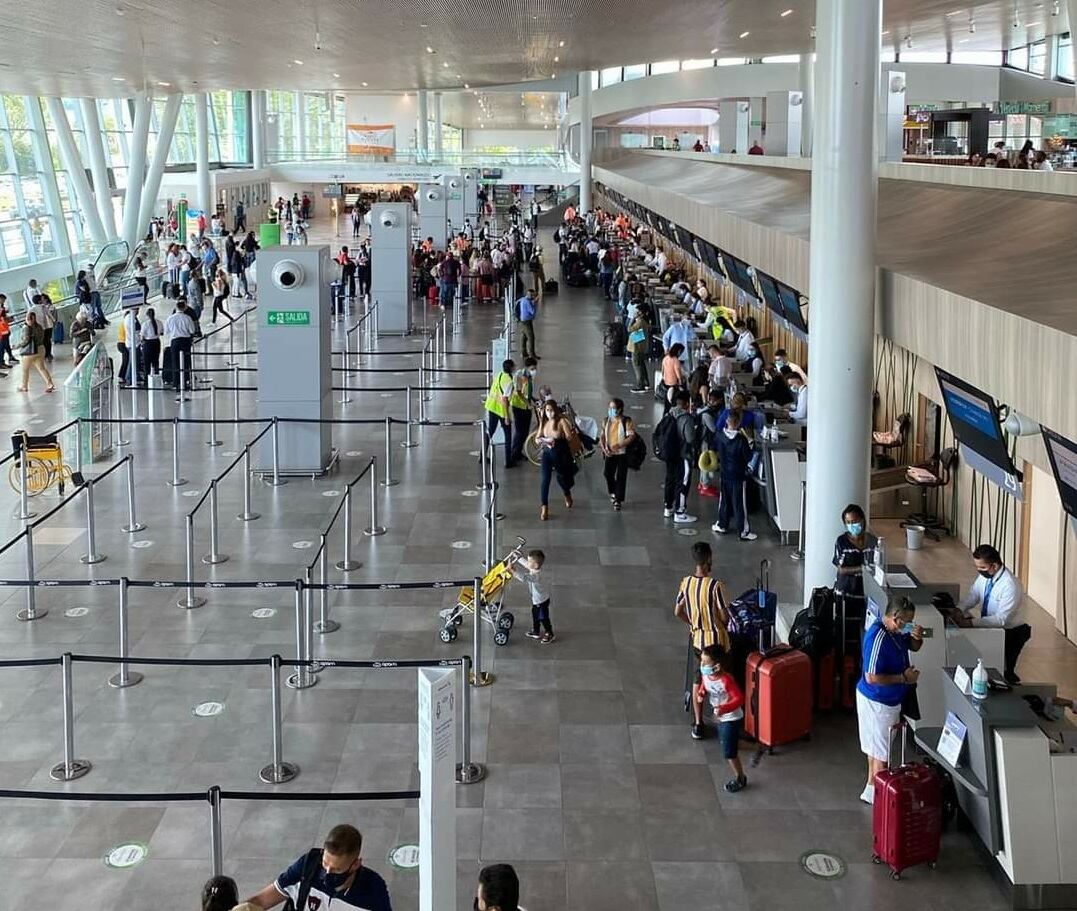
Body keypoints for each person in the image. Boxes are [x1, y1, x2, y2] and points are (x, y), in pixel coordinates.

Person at [856, 597, 922, 805]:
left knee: (876, 749)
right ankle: (881, 800)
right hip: (877, 703)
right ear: (895, 618)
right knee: (881, 755)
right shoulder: (878, 637)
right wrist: (904, 678)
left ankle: (871, 788)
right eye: (907, 622)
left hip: (888, 701)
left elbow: (912, 646)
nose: (908, 626)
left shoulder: (896, 632)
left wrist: (917, 638)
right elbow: (872, 677)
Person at [245, 824, 391, 911]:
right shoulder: (307, 866)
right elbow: (262, 900)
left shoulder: (373, 889)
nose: (327, 873)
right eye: (325, 864)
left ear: (355, 865)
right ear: (322, 852)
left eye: (336, 870)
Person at [946, 544, 1030, 684]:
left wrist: (970, 623)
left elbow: (1001, 619)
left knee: (1003, 669)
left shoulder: (1010, 585)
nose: (980, 571)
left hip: (1010, 633)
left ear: (995, 566)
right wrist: (959, 609)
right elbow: (974, 594)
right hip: (990, 626)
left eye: (982, 568)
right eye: (977, 567)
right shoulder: (986, 576)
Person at [674, 542, 731, 724]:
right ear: (708, 560)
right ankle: (723, 716)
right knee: (722, 678)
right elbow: (724, 617)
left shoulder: (686, 583)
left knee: (698, 678)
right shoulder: (716, 586)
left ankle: (698, 722)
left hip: (698, 641)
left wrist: (692, 623)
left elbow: (677, 611)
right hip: (717, 643)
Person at [694, 644, 748, 791]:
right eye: (702, 662)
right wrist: (701, 693)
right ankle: (748, 746)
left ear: (717, 666)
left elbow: (739, 699)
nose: (702, 665)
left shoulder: (726, 680)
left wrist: (724, 709)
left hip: (730, 718)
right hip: (720, 717)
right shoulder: (706, 675)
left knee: (729, 753)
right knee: (728, 743)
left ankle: (740, 778)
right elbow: (705, 685)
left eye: (706, 663)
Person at [711, 410, 757, 540]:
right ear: (738, 424)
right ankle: (743, 531)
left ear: (727, 421)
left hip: (724, 473)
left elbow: (713, 447)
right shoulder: (741, 440)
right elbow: (748, 456)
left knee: (724, 500)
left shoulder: (720, 436)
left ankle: (722, 524)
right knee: (739, 503)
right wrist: (750, 444)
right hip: (738, 475)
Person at [535, 398, 577, 521]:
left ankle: (566, 493)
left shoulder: (562, 421)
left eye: (551, 410)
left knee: (561, 477)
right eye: (547, 411)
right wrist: (540, 440)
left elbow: (569, 437)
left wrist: (558, 439)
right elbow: (537, 437)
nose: (549, 413)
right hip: (547, 454)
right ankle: (544, 507)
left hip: (560, 454)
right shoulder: (544, 423)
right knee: (545, 480)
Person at [661, 389, 698, 523]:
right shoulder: (686, 418)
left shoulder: (668, 414)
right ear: (687, 402)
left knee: (670, 479)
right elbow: (690, 438)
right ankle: (680, 511)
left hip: (669, 453)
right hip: (683, 454)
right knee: (683, 481)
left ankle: (668, 506)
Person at [833, 503, 877, 604]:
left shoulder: (873, 541)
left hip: (867, 591)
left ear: (862, 520)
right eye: (848, 522)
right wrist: (863, 569)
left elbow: (877, 565)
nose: (852, 525)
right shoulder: (842, 542)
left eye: (855, 521)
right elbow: (841, 569)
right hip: (846, 592)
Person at [600, 397, 637, 511]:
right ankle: (613, 491)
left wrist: (620, 445)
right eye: (610, 407)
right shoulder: (606, 421)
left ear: (620, 409)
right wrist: (604, 447)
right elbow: (602, 436)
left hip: (622, 453)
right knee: (608, 473)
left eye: (613, 408)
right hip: (610, 453)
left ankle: (618, 499)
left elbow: (631, 436)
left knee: (621, 476)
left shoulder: (626, 421)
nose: (611, 410)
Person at [512, 548, 554, 643]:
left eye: (530, 560)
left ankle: (549, 632)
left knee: (543, 618)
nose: (528, 562)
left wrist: (513, 572)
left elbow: (524, 577)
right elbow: (527, 565)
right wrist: (519, 558)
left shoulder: (537, 576)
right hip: (536, 600)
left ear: (536, 565)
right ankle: (536, 631)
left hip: (541, 601)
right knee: (535, 615)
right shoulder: (535, 568)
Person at [484, 358, 516, 469]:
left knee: (490, 432)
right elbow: (504, 399)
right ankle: (508, 461)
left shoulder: (500, 375)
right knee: (508, 435)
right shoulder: (509, 381)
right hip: (501, 410)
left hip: (492, 406)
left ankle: (482, 455)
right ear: (511, 368)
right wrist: (507, 416)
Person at [166, 301, 198, 397]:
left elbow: (167, 331)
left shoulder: (170, 318)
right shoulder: (188, 318)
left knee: (175, 362)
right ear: (184, 308)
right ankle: (186, 381)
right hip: (185, 342)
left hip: (175, 341)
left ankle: (176, 383)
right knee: (186, 362)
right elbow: (192, 330)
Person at [16, 312, 54, 393]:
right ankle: (49, 384)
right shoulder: (39, 326)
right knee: (42, 368)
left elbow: (26, 341)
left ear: (27, 318)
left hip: (30, 352)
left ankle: (24, 386)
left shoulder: (26, 328)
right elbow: (42, 337)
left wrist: (17, 346)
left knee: (25, 370)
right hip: (40, 349)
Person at [509, 357, 537, 465]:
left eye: (535, 368)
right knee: (520, 432)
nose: (534, 370)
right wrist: (528, 403)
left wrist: (533, 399)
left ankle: (518, 451)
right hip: (519, 407)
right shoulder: (520, 376)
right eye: (532, 368)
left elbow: (527, 392)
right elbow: (519, 393)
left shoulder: (529, 376)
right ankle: (514, 455)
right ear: (527, 367)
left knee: (524, 432)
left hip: (526, 407)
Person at [627, 302, 652, 393]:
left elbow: (629, 328)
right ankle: (646, 383)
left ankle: (640, 385)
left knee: (637, 367)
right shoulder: (645, 320)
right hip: (641, 346)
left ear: (641, 312)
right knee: (642, 365)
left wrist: (632, 319)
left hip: (636, 348)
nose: (636, 312)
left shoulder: (640, 322)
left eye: (637, 311)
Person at [660, 343, 687, 414]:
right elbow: (678, 375)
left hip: (666, 384)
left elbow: (662, 372)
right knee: (673, 403)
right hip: (674, 385)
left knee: (667, 404)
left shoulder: (665, 358)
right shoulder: (675, 360)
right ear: (679, 351)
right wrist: (681, 384)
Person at [515, 289, 538, 359]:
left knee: (524, 337)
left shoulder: (522, 299)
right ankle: (532, 354)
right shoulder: (528, 302)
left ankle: (524, 352)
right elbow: (532, 312)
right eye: (532, 295)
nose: (533, 297)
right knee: (531, 337)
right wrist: (534, 303)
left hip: (521, 320)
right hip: (526, 321)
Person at [140, 307, 162, 378]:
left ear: (147, 315)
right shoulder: (159, 322)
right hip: (157, 342)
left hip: (148, 343)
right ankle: (156, 377)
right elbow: (162, 332)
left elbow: (142, 336)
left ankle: (147, 380)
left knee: (147, 363)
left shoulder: (145, 324)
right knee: (156, 361)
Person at [0, 296, 17, 367]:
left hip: (5, 330)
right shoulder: (1, 309)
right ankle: (1, 363)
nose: (3, 301)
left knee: (6, 345)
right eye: (3, 300)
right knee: (2, 347)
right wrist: (10, 319)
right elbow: (3, 319)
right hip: (2, 331)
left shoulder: (2, 308)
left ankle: (10, 357)